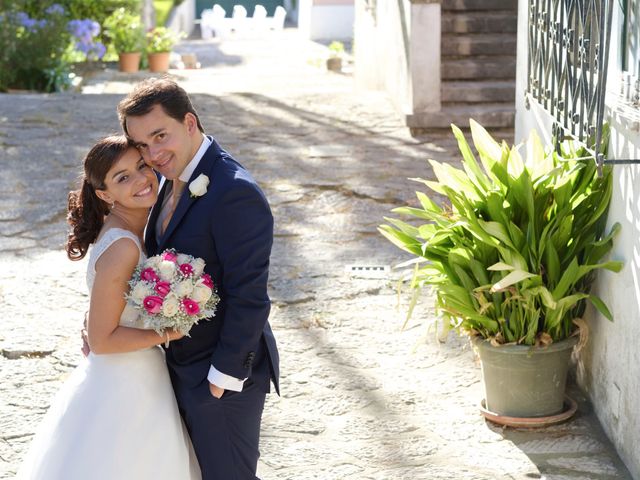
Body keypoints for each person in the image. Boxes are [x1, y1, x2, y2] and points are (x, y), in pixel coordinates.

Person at [118, 78, 280, 480]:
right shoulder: (166, 180)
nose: (153, 154)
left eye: (160, 135)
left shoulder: (233, 192)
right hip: (175, 368)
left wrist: (223, 378)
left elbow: (250, 297)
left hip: (218, 379)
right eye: (142, 145)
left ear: (189, 122)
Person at [17, 136, 201, 480]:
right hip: (125, 385)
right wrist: (173, 329)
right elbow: (102, 341)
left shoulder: (134, 227)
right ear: (104, 194)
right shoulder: (123, 247)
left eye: (141, 166)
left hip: (136, 373)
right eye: (122, 177)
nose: (141, 179)